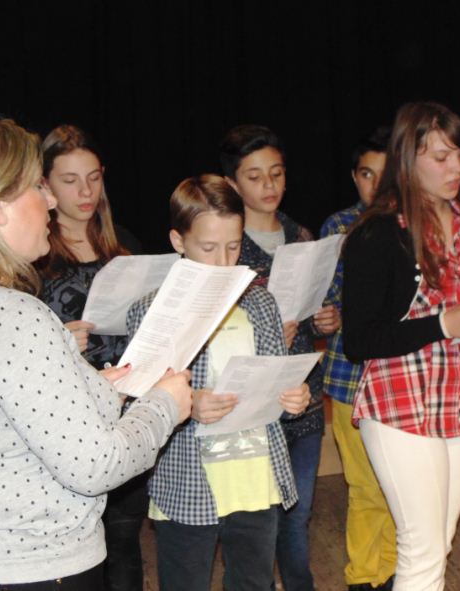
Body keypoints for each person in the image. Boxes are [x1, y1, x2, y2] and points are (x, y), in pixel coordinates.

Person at [0, 115, 192, 589]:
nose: (49, 201)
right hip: (33, 567)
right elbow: (97, 465)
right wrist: (164, 404)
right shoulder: (12, 316)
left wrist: (93, 386)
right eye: (35, 186)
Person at [342, 101, 460, 591]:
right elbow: (359, 341)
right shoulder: (379, 232)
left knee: (437, 545)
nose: (455, 169)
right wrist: (443, 324)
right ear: (408, 159)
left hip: (459, 403)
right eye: (441, 157)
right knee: (423, 551)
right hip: (400, 405)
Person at [126, 174, 311, 591]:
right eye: (208, 248)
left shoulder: (259, 302)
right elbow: (135, 407)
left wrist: (292, 398)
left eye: (233, 246)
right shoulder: (152, 312)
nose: (224, 262)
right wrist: (187, 404)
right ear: (178, 241)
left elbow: (275, 384)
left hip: (255, 479)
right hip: (187, 480)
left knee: (253, 583)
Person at [219, 125, 336, 591]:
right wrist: (264, 333)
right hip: (253, 404)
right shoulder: (226, 245)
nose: (269, 186)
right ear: (232, 183)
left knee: (298, 511)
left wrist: (324, 320)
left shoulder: (299, 234)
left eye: (277, 173)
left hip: (301, 397)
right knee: (258, 519)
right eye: (254, 177)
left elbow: (311, 312)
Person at [36, 124, 148, 591]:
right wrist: (58, 339)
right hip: (69, 419)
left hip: (127, 408)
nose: (85, 192)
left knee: (125, 539)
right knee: (77, 548)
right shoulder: (34, 256)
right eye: (70, 180)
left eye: (94, 177)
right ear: (44, 185)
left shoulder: (123, 243)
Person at [320, 127, 396, 591]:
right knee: (366, 485)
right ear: (354, 177)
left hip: (402, 379)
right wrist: (327, 316)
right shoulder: (339, 227)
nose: (376, 185)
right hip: (351, 377)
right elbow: (326, 296)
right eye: (367, 174)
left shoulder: (415, 221)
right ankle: (364, 577)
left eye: (385, 175)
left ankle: (393, 569)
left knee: (400, 486)